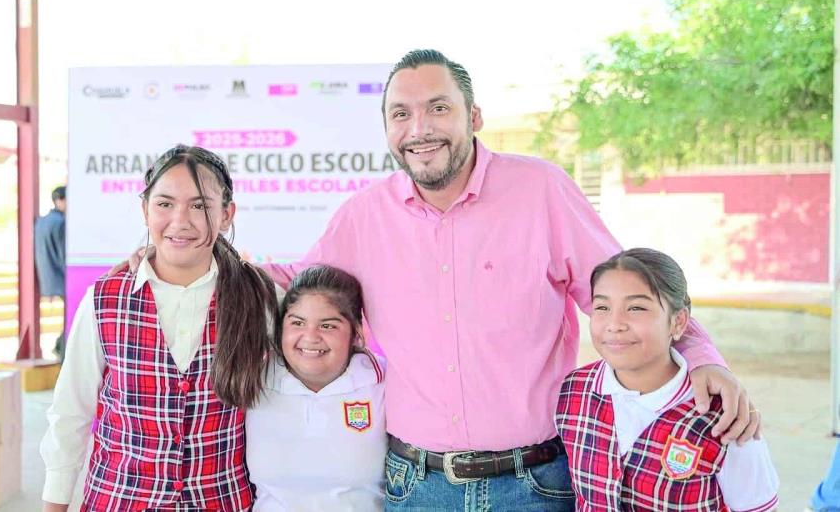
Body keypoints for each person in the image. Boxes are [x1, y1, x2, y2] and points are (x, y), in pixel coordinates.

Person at [127, 49, 760, 510]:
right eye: (400, 114)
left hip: (535, 483)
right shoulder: (365, 214)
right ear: (387, 129)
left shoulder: (541, 190)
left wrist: (704, 357)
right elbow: (286, 281)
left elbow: (632, 291)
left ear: (473, 115)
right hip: (415, 485)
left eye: (437, 108)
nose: (419, 129)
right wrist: (171, 258)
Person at [40, 144, 277, 511]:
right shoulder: (106, 299)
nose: (180, 221)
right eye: (165, 203)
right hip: (118, 500)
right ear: (145, 210)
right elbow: (71, 411)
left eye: (199, 206)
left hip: (223, 500)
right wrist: (54, 503)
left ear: (226, 214)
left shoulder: (258, 297)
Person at [555, 248, 779, 510]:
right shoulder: (574, 392)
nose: (614, 324)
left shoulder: (725, 416)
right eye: (602, 307)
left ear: (678, 322)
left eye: (636, 308)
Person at [246, 264, 386, 511]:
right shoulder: (253, 380)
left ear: (356, 333)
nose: (310, 337)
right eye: (297, 323)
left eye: (328, 326)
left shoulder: (384, 384)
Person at [35, 185, 67, 358]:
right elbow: (64, 256)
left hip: (47, 277)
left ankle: (59, 346)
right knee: (72, 316)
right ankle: (61, 348)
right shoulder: (61, 223)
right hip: (62, 278)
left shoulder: (41, 222)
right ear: (59, 201)